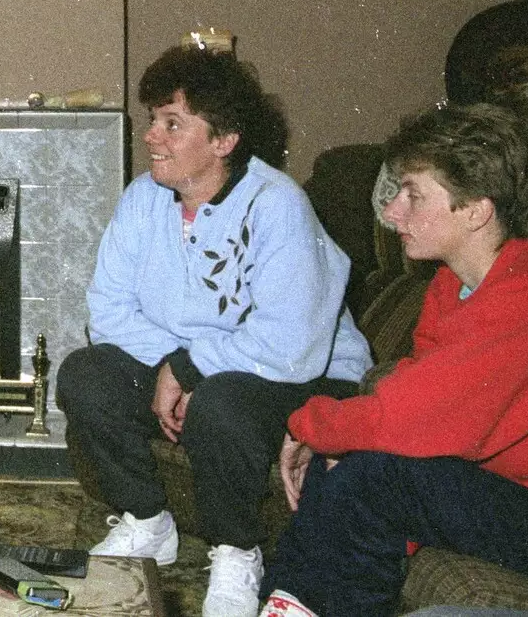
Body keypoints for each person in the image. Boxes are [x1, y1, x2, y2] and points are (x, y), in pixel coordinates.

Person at [55, 45, 371, 617]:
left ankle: (236, 551)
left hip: (301, 375)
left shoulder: (277, 205)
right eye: (154, 119)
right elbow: (109, 308)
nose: (152, 136)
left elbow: (290, 342)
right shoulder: (143, 200)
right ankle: (149, 522)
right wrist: (175, 366)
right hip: (197, 370)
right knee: (85, 373)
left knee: (221, 402)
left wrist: (190, 368)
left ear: (223, 141)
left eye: (172, 124)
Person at [257, 104, 528, 617]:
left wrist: (308, 423)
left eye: (413, 195)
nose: (392, 214)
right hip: (504, 487)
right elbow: (419, 395)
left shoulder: (525, 295)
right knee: (352, 460)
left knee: (374, 476)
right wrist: (338, 437)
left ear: (477, 209)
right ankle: (289, 602)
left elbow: (409, 416)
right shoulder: (455, 284)